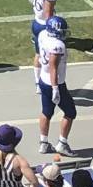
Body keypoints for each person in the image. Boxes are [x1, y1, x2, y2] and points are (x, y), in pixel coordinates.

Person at [34, 14, 75, 156]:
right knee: (70, 112)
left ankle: (43, 143)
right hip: (54, 83)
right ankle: (62, 143)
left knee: (46, 112)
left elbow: (39, 56)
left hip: (43, 79)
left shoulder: (42, 34)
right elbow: (53, 67)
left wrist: (37, 78)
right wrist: (56, 88)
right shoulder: (58, 46)